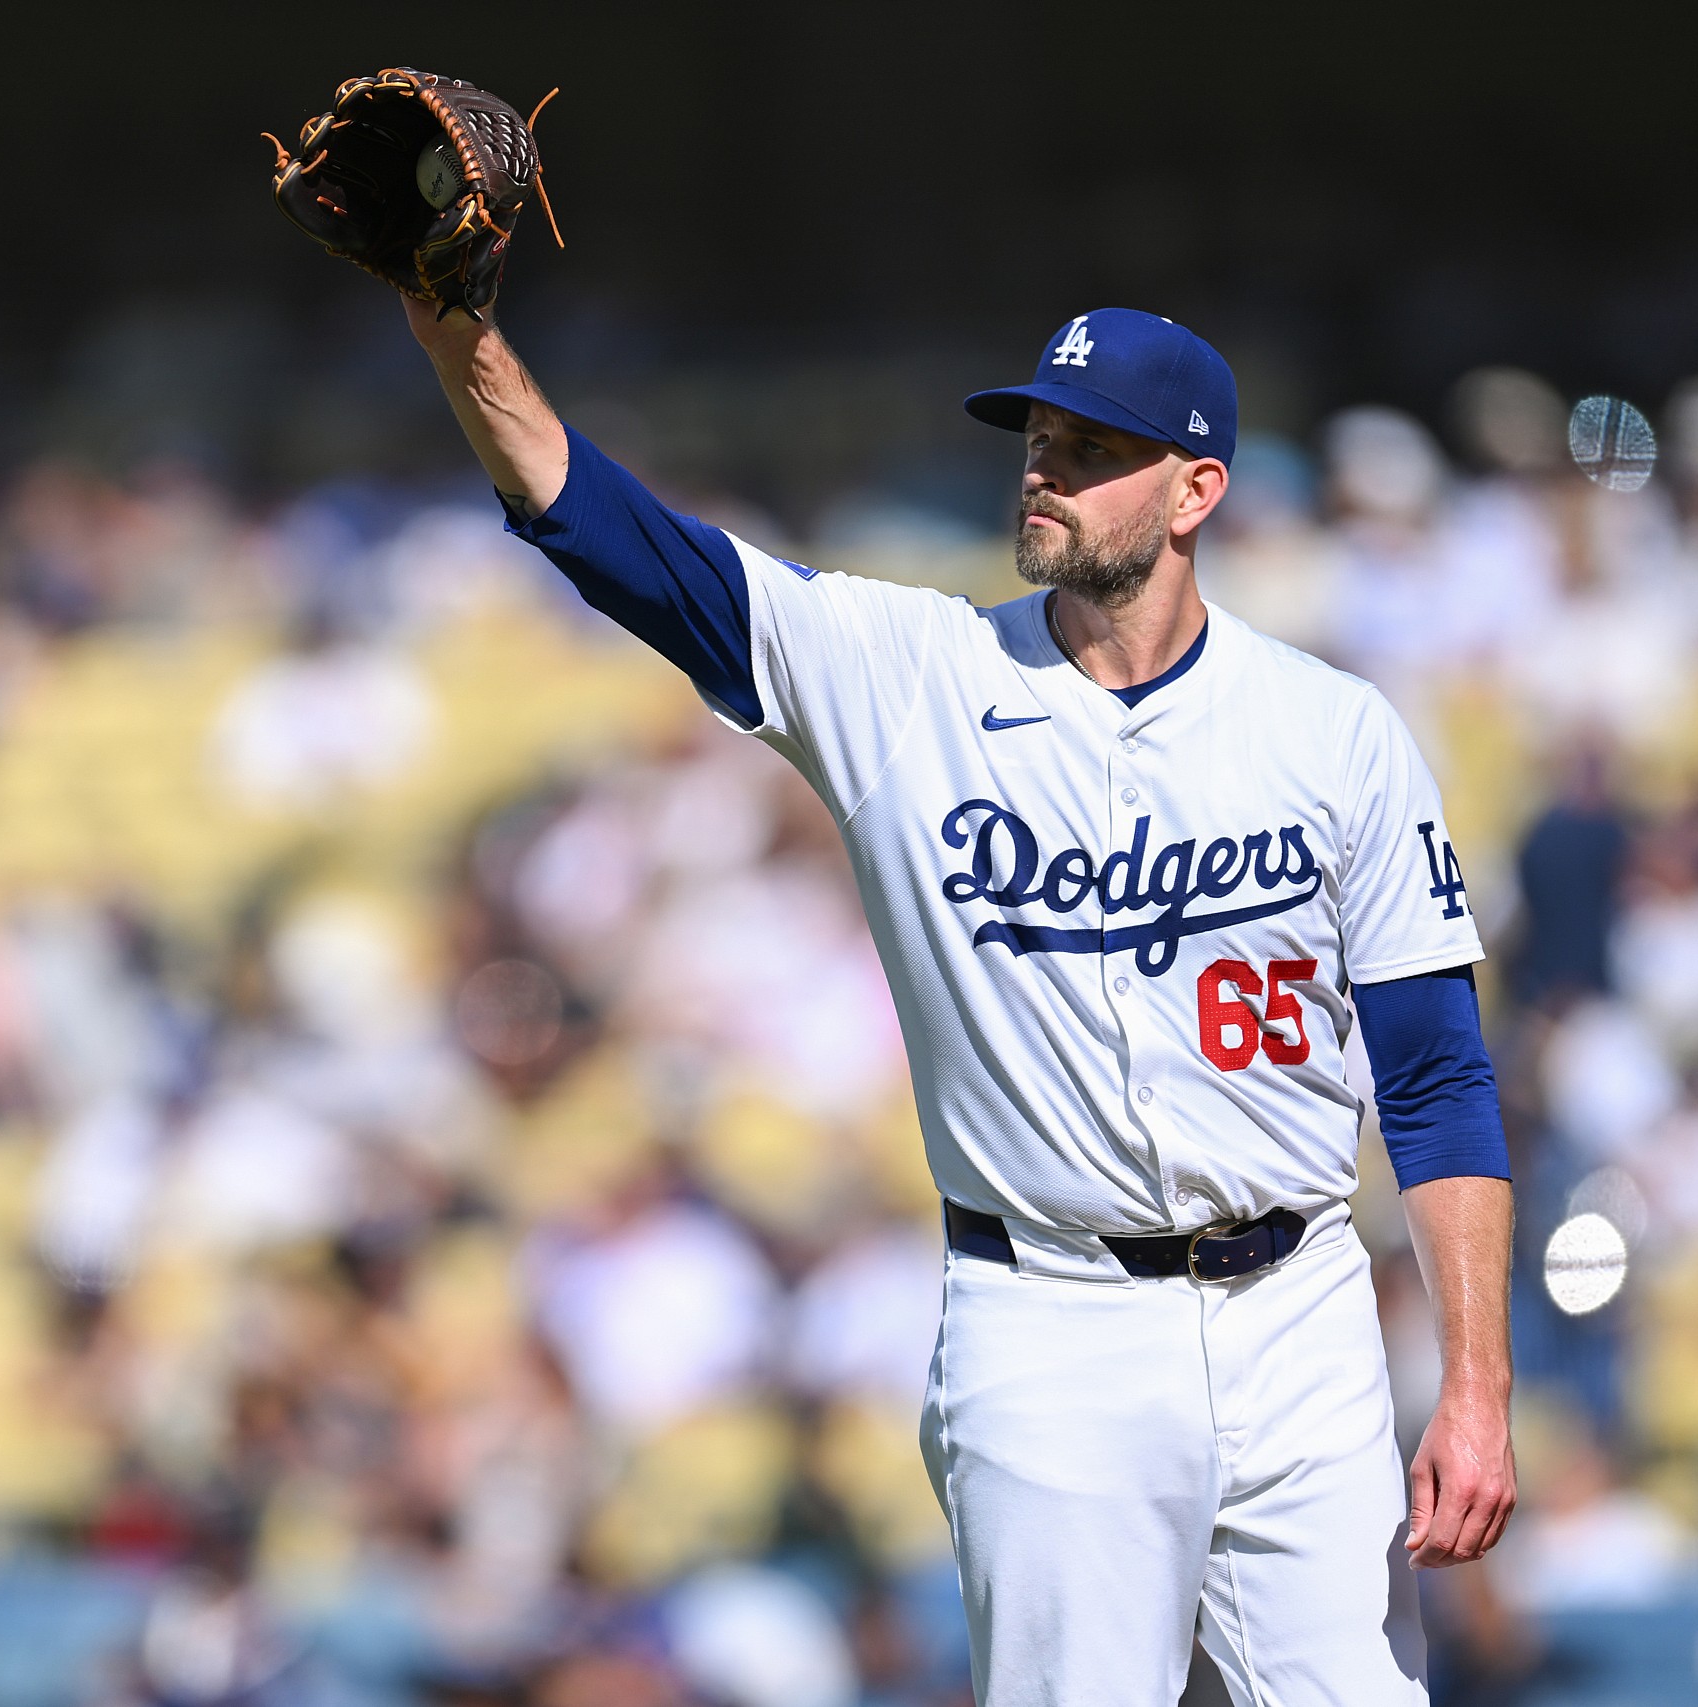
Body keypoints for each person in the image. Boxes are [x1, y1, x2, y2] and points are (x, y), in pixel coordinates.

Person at [400, 297, 1516, 1706]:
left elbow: (1434, 1078)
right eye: (1036, 436)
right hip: (1052, 1320)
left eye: (1091, 445)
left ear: (1197, 489)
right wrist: (461, 339)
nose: (1043, 467)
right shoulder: (908, 676)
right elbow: (611, 537)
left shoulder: (1332, 728)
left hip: (1302, 1314)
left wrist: (1475, 1383)